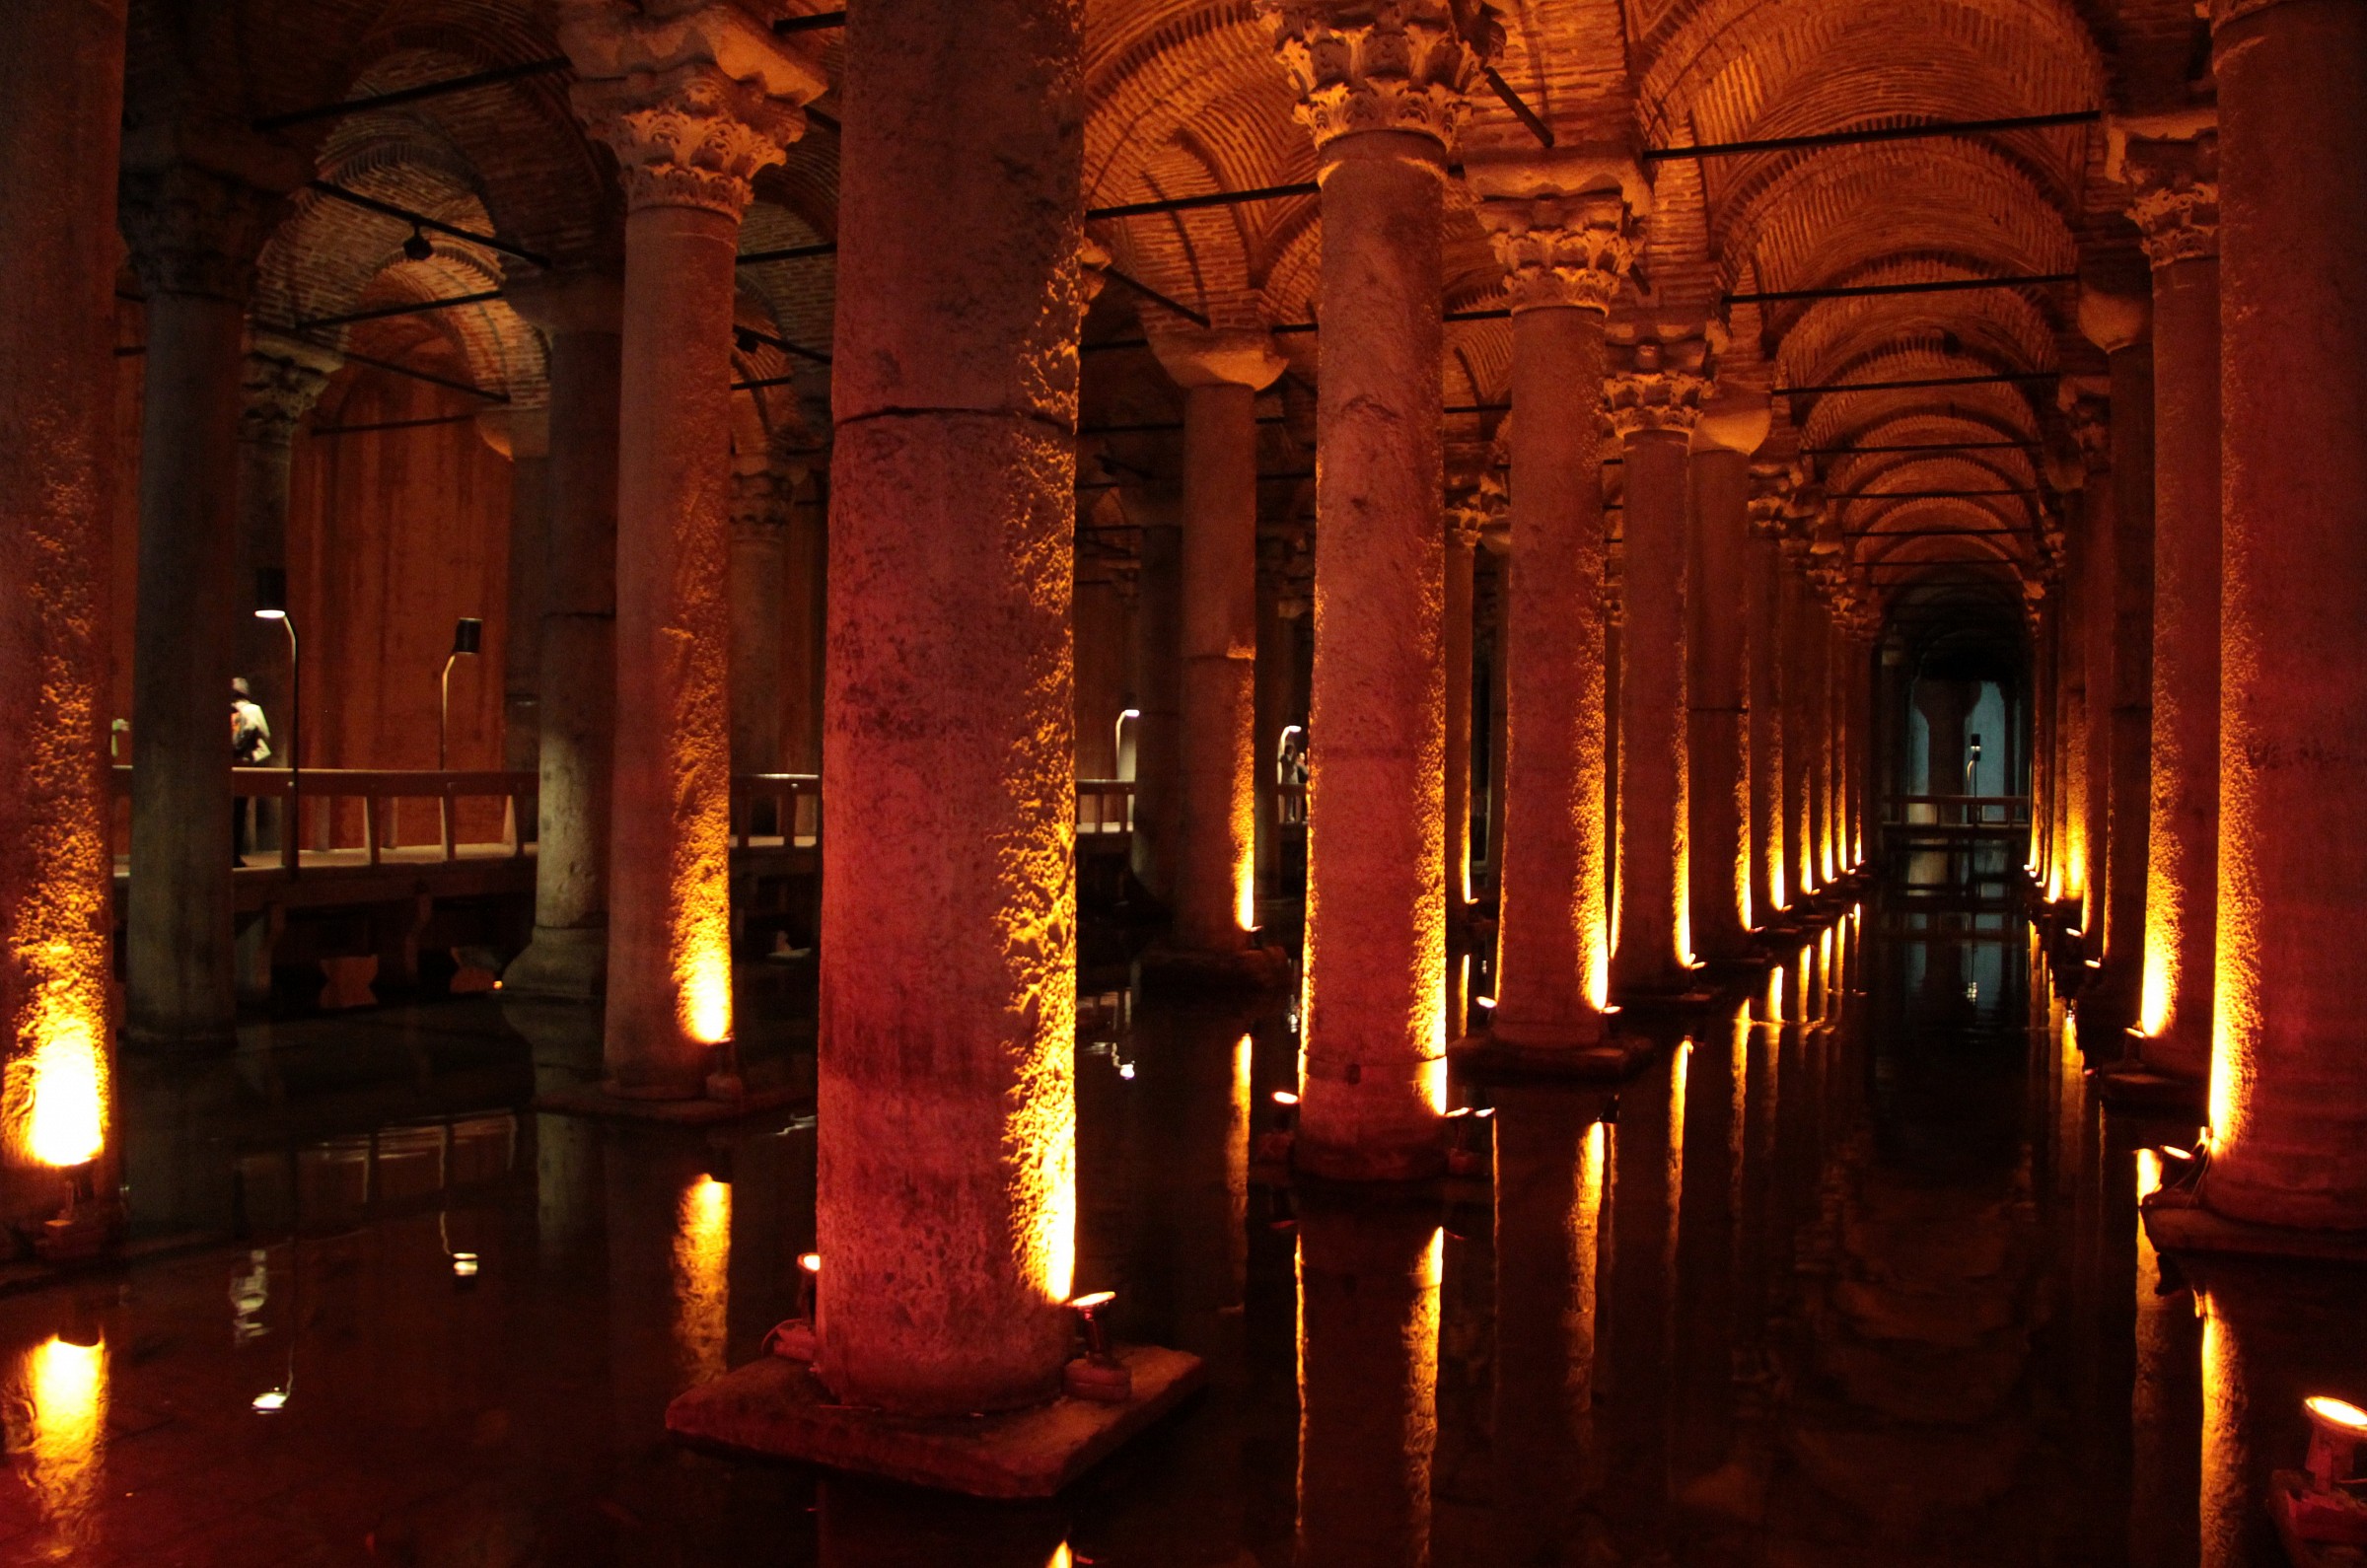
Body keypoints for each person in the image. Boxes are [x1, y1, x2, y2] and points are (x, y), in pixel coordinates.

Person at [232, 677, 271, 865]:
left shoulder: (226, 710)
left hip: (226, 764)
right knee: (239, 812)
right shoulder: (252, 709)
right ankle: (234, 856)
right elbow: (265, 733)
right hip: (245, 764)